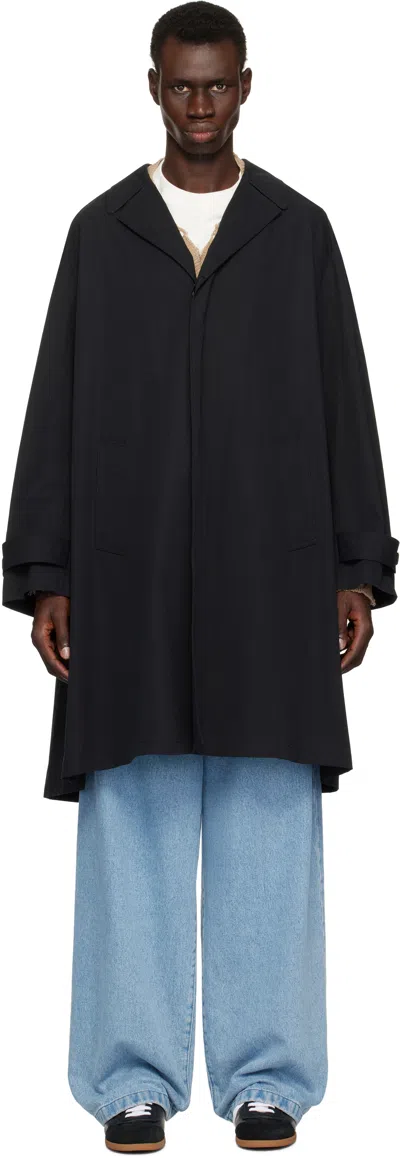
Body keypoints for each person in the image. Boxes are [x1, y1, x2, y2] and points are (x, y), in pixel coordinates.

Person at [2, 2, 398, 1152]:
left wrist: (355, 567)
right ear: (153, 87)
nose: (200, 106)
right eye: (181, 86)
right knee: (132, 812)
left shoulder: (297, 232)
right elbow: (54, 407)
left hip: (269, 574)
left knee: (268, 814)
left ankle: (267, 1075)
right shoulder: (101, 235)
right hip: (128, 577)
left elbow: (344, 402)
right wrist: (48, 571)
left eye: (217, 85)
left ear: (245, 86)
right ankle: (130, 1077)